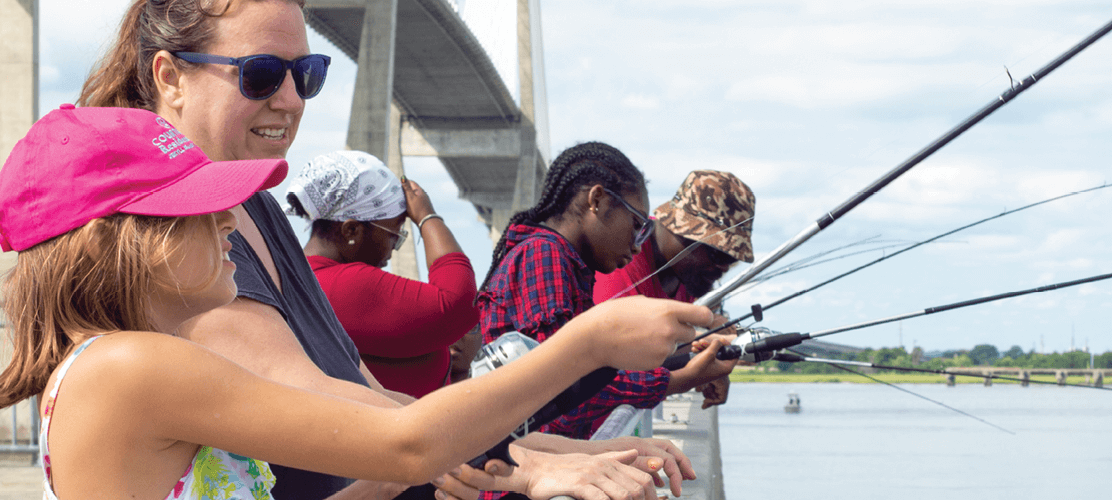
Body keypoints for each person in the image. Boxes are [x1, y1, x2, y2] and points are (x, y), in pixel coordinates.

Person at [77, 1, 695, 498]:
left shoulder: (254, 207)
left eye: (307, 74)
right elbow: (393, 435)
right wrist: (587, 347)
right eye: (261, 73)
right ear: (169, 76)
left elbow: (376, 404)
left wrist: (563, 452)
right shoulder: (174, 258)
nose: (291, 99)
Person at [0, 105, 700, 500]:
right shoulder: (135, 368)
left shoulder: (118, 368)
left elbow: (398, 449)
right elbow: (409, 441)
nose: (228, 227)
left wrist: (560, 454)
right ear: (126, 244)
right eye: (199, 215)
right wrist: (592, 340)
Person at [478, 143, 739, 447]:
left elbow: (579, 374)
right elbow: (561, 389)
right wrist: (679, 381)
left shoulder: (568, 264)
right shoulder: (543, 255)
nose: (639, 244)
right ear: (598, 200)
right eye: (637, 226)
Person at [287, 151, 477, 398]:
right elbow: (459, 303)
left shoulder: (302, 276)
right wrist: (427, 216)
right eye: (394, 234)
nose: (394, 248)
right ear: (351, 230)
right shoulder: (345, 285)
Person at [593, 170, 757, 411]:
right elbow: (613, 356)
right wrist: (706, 349)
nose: (723, 268)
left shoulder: (685, 276)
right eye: (719, 253)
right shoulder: (621, 259)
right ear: (682, 230)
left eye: (732, 259)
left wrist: (710, 365)